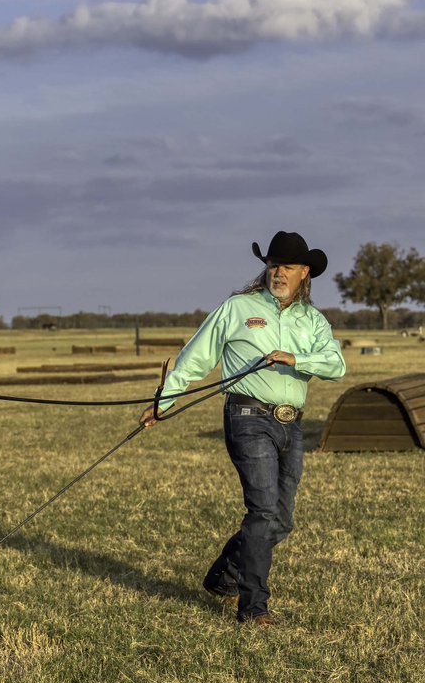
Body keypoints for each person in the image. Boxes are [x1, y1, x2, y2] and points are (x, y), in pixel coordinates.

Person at [139, 231, 346, 626]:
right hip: (247, 417)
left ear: (305, 273)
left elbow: (336, 365)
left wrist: (295, 359)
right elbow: (195, 358)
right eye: (272, 264)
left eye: (287, 266)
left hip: (292, 423)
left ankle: (223, 578)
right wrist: (163, 403)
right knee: (263, 509)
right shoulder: (238, 308)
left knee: (281, 520)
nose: (277, 272)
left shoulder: (314, 321)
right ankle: (253, 607)